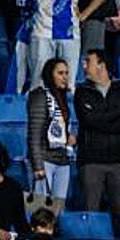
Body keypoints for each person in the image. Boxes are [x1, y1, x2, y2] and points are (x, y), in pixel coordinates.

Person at [75, 49, 120, 235]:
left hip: (119, 160)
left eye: (88, 61)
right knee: (90, 210)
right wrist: (116, 115)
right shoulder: (82, 91)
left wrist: (101, 119)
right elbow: (88, 120)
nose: (84, 65)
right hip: (91, 160)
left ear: (101, 65)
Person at [27, 57, 74, 205]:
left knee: (58, 207)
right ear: (50, 74)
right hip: (44, 159)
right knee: (40, 209)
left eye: (66, 73)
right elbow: (34, 133)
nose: (65, 77)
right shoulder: (40, 95)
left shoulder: (63, 97)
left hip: (63, 159)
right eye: (60, 73)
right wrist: (38, 166)